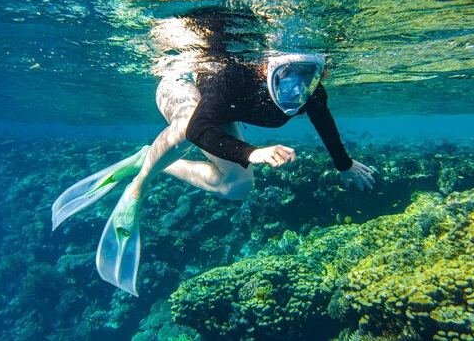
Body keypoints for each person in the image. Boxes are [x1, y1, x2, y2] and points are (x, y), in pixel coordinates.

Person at [52, 53, 375, 295]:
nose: (296, 85)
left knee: (237, 187)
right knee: (184, 127)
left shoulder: (312, 92)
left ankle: (145, 158)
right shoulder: (237, 75)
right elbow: (199, 128)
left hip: (219, 111)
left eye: (309, 74)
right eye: (287, 71)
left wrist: (344, 165)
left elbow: (324, 122)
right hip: (187, 83)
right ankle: (139, 185)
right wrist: (251, 152)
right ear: (267, 66)